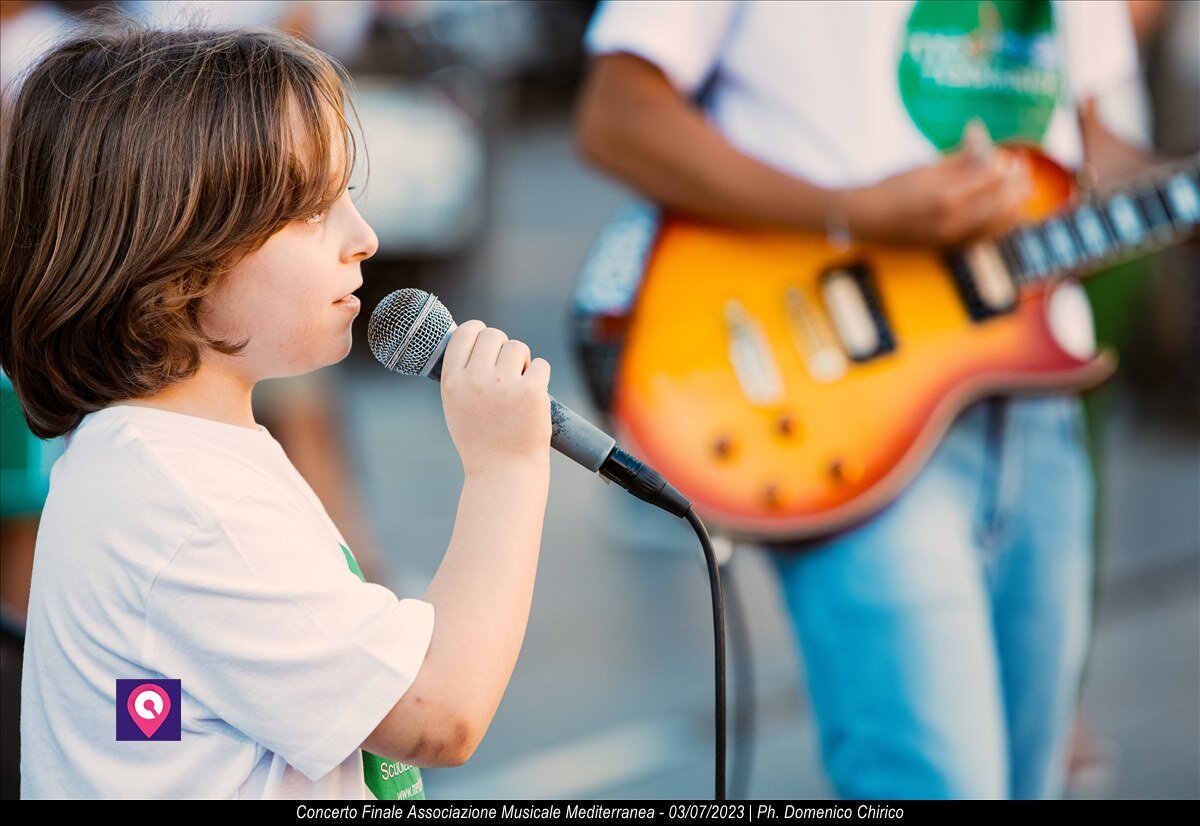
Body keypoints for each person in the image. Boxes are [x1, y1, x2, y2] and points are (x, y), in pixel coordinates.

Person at [575, 0, 1153, 800]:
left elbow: (1086, 146)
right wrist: (855, 212)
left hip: (1037, 402)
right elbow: (616, 114)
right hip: (845, 396)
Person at [2, 20, 552, 799]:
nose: (362, 239)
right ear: (178, 265)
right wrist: (506, 468)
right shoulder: (187, 502)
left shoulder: (178, 459)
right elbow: (439, 711)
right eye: (311, 209)